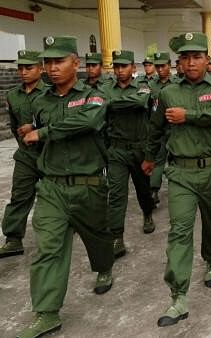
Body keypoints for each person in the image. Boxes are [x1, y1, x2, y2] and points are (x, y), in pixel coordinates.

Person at [17, 35, 114, 338]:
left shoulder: (94, 96)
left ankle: (104, 267)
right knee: (48, 249)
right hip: (52, 188)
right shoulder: (40, 100)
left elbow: (86, 122)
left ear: (76, 63)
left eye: (59, 61)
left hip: (88, 184)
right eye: (47, 62)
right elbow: (29, 136)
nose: (52, 67)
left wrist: (42, 132)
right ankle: (47, 313)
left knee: (98, 237)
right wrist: (32, 134)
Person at [142, 32, 211, 327]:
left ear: (207, 61)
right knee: (179, 231)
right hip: (180, 172)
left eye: (197, 57)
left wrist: (190, 115)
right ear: (179, 63)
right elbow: (156, 129)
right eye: (186, 57)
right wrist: (149, 157)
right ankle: (178, 295)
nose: (192, 62)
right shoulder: (167, 92)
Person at [102, 50, 156, 259]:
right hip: (116, 149)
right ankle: (117, 237)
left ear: (133, 68)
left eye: (124, 66)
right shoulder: (107, 88)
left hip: (139, 148)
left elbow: (141, 102)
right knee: (116, 195)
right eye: (116, 66)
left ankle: (148, 213)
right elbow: (103, 108)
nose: (119, 70)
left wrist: (112, 103)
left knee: (143, 189)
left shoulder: (143, 86)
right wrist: (121, 102)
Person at [0, 50, 46, 259]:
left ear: (40, 68)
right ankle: (13, 239)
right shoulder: (12, 95)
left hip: (49, 154)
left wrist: (35, 127)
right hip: (26, 156)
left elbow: (59, 121)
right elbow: (14, 125)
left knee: (55, 196)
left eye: (29, 67)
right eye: (21, 68)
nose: (24, 72)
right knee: (19, 196)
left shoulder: (51, 92)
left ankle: (63, 229)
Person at [149, 51, 179, 204]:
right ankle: (154, 190)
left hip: (175, 128)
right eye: (157, 67)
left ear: (170, 66)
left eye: (163, 66)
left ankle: (178, 190)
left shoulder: (178, 83)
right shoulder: (150, 85)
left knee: (176, 160)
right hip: (159, 128)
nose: (160, 70)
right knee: (159, 160)